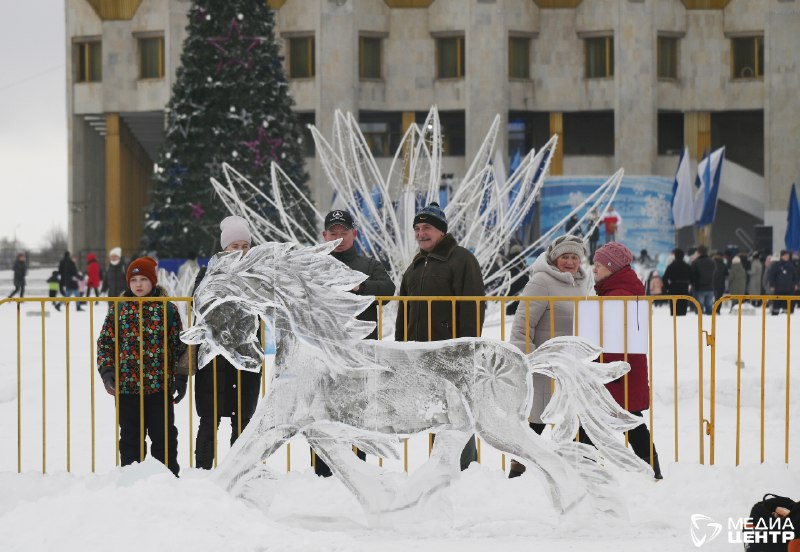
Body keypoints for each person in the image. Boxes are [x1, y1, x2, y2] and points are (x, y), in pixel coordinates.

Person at [395, 202, 485, 471]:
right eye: (418, 228)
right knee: (435, 412)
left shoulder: (462, 260)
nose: (422, 233)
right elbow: (404, 312)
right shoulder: (414, 266)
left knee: (458, 412)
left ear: (442, 232)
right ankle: (441, 466)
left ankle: (466, 468)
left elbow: (473, 306)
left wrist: (464, 347)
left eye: (428, 228)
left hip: (451, 352)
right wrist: (402, 349)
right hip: (421, 353)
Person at [310, 209, 396, 477]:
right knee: (322, 414)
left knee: (360, 413)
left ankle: (359, 472)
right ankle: (322, 472)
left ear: (354, 234)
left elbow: (389, 290)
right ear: (324, 236)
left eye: (343, 232)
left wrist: (360, 287)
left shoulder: (370, 265)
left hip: (362, 354)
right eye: (333, 233)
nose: (338, 237)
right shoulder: (315, 264)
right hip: (325, 353)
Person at [507, 234, 589, 478]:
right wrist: (526, 357)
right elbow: (522, 323)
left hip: (572, 361)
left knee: (574, 413)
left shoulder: (583, 282)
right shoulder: (541, 281)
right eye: (565, 256)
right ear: (555, 258)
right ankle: (518, 467)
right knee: (539, 415)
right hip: (544, 361)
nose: (570, 262)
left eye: (575, 257)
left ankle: (584, 465)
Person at [96, 256, 186, 476]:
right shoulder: (119, 309)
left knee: (164, 437)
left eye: (144, 279)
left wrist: (180, 377)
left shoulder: (168, 309)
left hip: (159, 386)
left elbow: (180, 346)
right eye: (134, 279)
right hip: (127, 388)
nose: (138, 284)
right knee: (130, 438)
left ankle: (167, 479)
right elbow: (105, 344)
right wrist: (108, 373)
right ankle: (130, 480)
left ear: (153, 281)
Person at [586, 242, 662, 479]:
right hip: (624, 373)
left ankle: (586, 474)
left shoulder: (617, 297)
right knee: (630, 423)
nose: (594, 270)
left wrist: (602, 370)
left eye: (598, 265)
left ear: (612, 267)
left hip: (616, 374)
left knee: (592, 424)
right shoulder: (620, 291)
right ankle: (652, 472)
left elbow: (616, 343)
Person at [192, 216, 263, 470]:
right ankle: (202, 469)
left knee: (243, 417)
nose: (240, 251)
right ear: (225, 247)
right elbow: (199, 305)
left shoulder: (255, 273)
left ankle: (240, 469)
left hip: (246, 353)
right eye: (235, 246)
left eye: (245, 246)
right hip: (214, 356)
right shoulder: (208, 272)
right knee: (209, 418)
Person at [766, 250, 799, 315]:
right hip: (778, 288)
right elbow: (771, 276)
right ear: (781, 256)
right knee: (777, 303)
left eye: (788, 255)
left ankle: (786, 313)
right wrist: (772, 285)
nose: (787, 257)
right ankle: (775, 313)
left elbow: (796, 275)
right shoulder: (776, 265)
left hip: (789, 288)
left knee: (787, 303)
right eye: (785, 255)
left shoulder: (791, 265)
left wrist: (796, 284)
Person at [662, 248, 692, 316]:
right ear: (683, 256)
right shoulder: (687, 267)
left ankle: (675, 324)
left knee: (674, 310)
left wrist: (668, 287)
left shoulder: (671, 266)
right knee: (683, 309)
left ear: (675, 256)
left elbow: (664, 278)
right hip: (684, 288)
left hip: (673, 288)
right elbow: (692, 277)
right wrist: (689, 284)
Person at [690, 245, 715, 315]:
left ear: (699, 252)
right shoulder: (712, 262)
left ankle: (700, 325)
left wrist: (692, 283)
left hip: (698, 288)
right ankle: (710, 324)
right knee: (709, 309)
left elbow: (692, 275)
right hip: (710, 287)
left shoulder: (695, 262)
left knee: (699, 309)